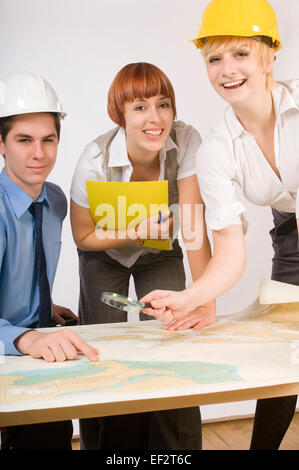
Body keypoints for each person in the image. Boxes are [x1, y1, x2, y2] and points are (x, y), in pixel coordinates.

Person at [141, 0, 298, 451]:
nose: (227, 69)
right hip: (290, 229)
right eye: (214, 58)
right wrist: (192, 296)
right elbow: (230, 250)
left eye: (241, 53)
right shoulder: (216, 150)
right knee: (286, 355)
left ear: (270, 56)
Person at [70, 62, 214, 450]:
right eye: (139, 107)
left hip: (161, 252)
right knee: (103, 348)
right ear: (120, 114)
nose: (155, 118)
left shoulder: (186, 141)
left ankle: (177, 451)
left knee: (174, 342)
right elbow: (82, 236)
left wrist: (202, 300)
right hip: (104, 254)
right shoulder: (94, 159)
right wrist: (133, 232)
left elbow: (193, 224)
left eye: (163, 104)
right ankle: (107, 448)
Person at [0, 71, 98, 450]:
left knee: (54, 435)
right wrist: (24, 336)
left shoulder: (55, 200)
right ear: (2, 144)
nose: (38, 154)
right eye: (24, 140)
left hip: (38, 351)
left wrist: (41, 306)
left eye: (48, 140)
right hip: (11, 354)